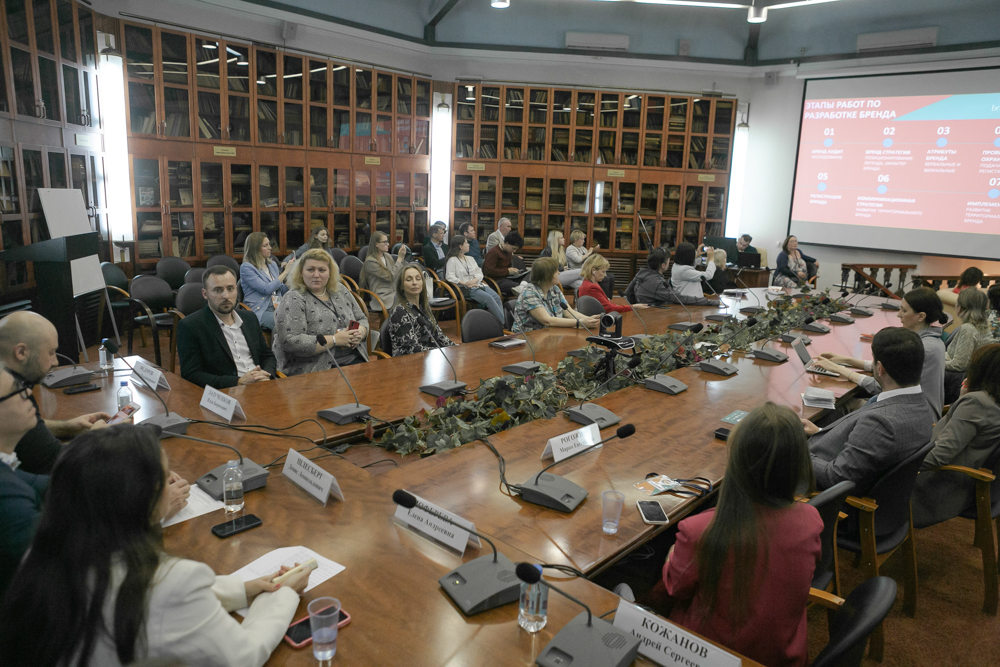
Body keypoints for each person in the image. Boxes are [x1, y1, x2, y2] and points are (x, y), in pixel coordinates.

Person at [0, 424, 309, 667]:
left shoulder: (44, 553)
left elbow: (135, 597)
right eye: (164, 475)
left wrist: (242, 589)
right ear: (140, 499)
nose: (172, 479)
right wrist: (281, 596)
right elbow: (243, 656)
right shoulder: (175, 582)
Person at [662, 403, 821, 667]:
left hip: (711, 657)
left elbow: (674, 588)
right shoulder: (812, 519)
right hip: (784, 656)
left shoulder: (699, 530)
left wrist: (671, 554)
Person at [804, 327, 934, 496]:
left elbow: (835, 477)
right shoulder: (921, 405)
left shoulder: (880, 423)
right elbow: (866, 447)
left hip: (814, 486)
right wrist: (820, 431)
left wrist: (796, 450)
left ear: (880, 368)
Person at [0, 311, 110, 475]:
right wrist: (94, 440)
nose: (55, 362)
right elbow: (57, 464)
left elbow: (27, 433)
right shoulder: (10, 394)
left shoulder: (10, 385)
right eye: (51, 353)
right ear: (21, 352)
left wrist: (65, 427)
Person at [813, 287, 947, 419]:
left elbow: (882, 385)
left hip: (913, 416)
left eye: (904, 310)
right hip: (913, 411)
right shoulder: (932, 341)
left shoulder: (923, 348)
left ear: (921, 316)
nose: (899, 315)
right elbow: (891, 368)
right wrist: (847, 360)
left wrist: (840, 370)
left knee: (839, 406)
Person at [912, 344, 1000, 528]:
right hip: (968, 484)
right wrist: (962, 400)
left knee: (869, 477)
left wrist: (897, 465)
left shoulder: (977, 403)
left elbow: (938, 456)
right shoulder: (990, 402)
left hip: (939, 488)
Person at [272, 248, 369, 376]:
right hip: (315, 368)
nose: (316, 275)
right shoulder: (293, 298)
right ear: (301, 272)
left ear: (330, 273)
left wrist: (360, 332)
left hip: (354, 359)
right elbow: (291, 341)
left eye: (322, 270)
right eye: (310, 270)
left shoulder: (340, 290)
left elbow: (362, 318)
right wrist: (334, 340)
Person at [177, 266, 277, 389]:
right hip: (226, 392)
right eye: (218, 290)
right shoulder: (190, 326)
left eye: (230, 289)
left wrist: (266, 374)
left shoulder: (249, 318)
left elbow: (267, 356)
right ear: (205, 294)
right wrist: (238, 382)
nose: (226, 296)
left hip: (262, 385)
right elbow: (191, 374)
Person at [0, 364, 45, 596]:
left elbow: (47, 483)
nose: (28, 392)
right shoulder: (7, 496)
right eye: (16, 390)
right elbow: (56, 560)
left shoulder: (7, 470)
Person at [512, 257, 600, 333]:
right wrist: (579, 323)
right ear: (547, 275)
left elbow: (569, 313)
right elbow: (547, 321)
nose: (559, 273)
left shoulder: (554, 289)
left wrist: (589, 320)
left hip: (550, 334)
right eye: (556, 271)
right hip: (527, 338)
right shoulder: (529, 293)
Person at [385, 265, 456, 357]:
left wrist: (456, 348)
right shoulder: (399, 311)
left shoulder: (424, 307)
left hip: (427, 356)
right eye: (409, 279)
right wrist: (439, 352)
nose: (414, 283)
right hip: (407, 360)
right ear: (401, 285)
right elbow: (411, 348)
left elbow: (439, 336)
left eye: (418, 279)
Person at [944, 287, 991, 404]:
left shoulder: (968, 329)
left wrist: (937, 361)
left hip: (960, 385)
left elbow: (959, 365)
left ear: (961, 307)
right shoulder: (986, 325)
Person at [240, 232, 294, 330]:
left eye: (269, 244)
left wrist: (291, 279)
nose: (270, 248)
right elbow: (266, 289)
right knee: (287, 324)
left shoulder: (272, 264)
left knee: (301, 319)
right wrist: (285, 272)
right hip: (260, 309)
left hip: (278, 307)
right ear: (255, 249)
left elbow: (281, 290)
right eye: (265, 245)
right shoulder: (246, 268)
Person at [445, 234, 504, 323]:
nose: (468, 245)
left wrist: (474, 281)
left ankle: (499, 323)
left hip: (478, 284)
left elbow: (479, 273)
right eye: (466, 243)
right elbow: (450, 276)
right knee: (489, 299)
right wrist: (465, 283)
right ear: (460, 246)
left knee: (497, 297)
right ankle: (503, 324)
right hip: (465, 288)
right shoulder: (452, 260)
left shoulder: (470, 259)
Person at [578, 254, 648, 314]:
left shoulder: (589, 282)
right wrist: (633, 307)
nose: (605, 275)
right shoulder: (591, 287)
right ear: (593, 270)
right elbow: (609, 309)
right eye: (603, 272)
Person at [359, 231, 407, 311]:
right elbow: (390, 277)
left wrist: (402, 259)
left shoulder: (387, 256)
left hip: (394, 292)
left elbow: (398, 273)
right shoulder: (370, 262)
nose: (388, 244)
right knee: (407, 300)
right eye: (385, 242)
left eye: (387, 241)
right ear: (376, 244)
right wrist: (399, 259)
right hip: (382, 297)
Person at [567, 230, 614, 298]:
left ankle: (608, 298)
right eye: (582, 239)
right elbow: (578, 260)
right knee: (605, 278)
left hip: (587, 270)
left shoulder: (583, 248)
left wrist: (594, 252)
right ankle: (602, 299)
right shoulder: (570, 249)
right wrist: (589, 253)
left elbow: (588, 260)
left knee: (611, 277)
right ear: (575, 240)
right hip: (578, 273)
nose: (584, 241)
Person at [483, 231, 524, 296]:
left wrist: (513, 270)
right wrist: (508, 271)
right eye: (513, 248)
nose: (514, 251)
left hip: (507, 277)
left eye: (516, 249)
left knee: (530, 276)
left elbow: (507, 267)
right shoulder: (493, 252)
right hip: (496, 281)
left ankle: (522, 287)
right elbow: (488, 271)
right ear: (507, 243)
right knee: (518, 286)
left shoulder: (509, 252)